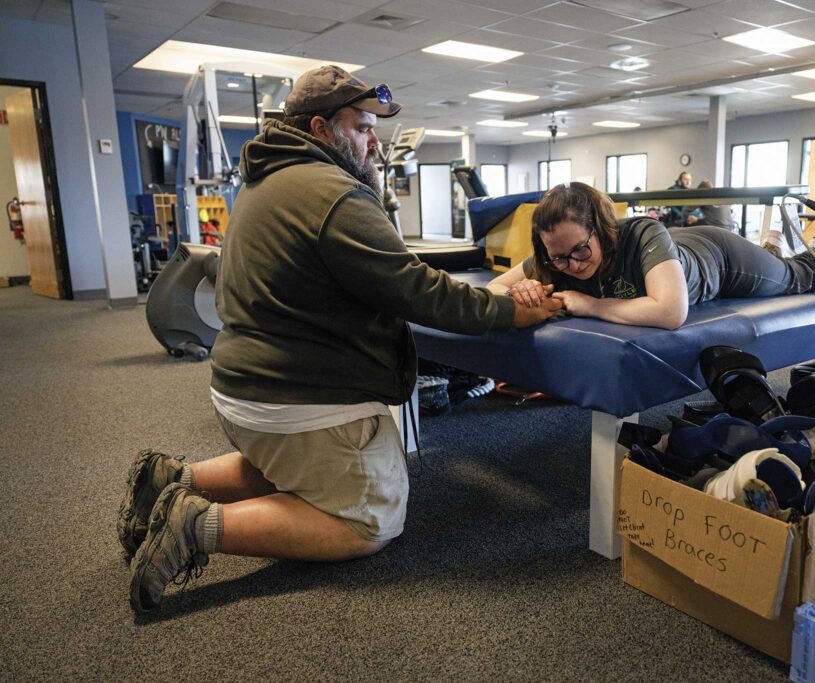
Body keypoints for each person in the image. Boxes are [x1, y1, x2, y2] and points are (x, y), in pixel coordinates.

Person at [117, 65, 560, 614]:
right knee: (371, 520)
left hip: (242, 388)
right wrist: (506, 313)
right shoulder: (333, 193)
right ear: (322, 128)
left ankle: (171, 478)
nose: (373, 141)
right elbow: (419, 291)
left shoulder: (263, 180)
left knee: (301, 468)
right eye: (362, 126)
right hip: (296, 399)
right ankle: (198, 525)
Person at [487, 183, 815, 330]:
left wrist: (592, 305)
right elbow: (493, 289)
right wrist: (524, 291)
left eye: (580, 251)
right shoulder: (557, 252)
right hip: (675, 252)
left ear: (602, 230)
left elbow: (669, 312)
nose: (572, 264)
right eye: (559, 258)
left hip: (721, 259)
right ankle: (771, 242)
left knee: (801, 275)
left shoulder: (640, 232)